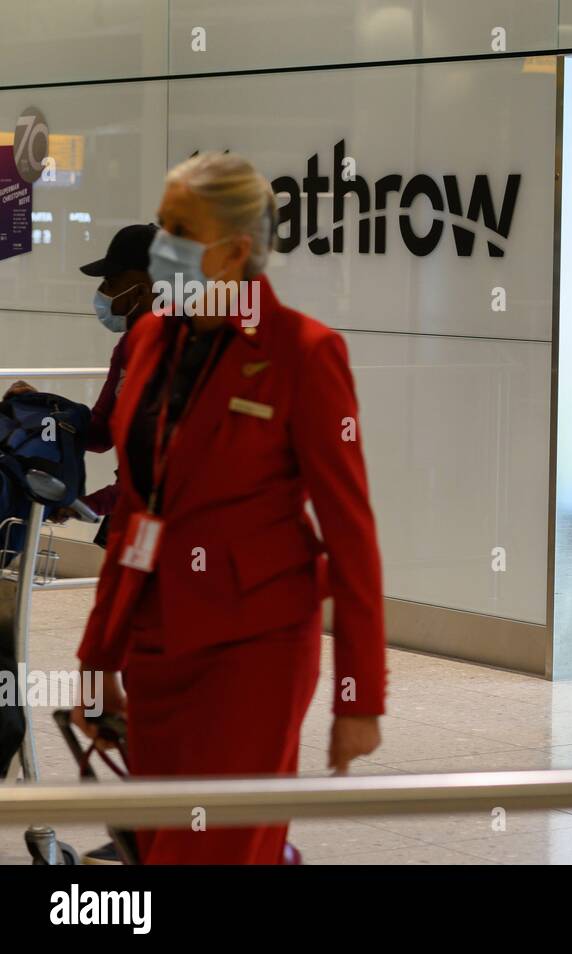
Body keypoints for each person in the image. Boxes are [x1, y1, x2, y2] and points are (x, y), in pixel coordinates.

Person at [72, 152, 387, 863]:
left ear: (235, 252)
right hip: (156, 647)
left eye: (178, 228)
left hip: (254, 651)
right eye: (161, 223)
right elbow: (134, 511)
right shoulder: (151, 337)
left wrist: (359, 694)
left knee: (215, 852)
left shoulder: (303, 354)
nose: (160, 244)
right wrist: (99, 656)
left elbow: (352, 534)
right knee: (156, 849)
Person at [80, 223, 159, 542]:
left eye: (111, 281)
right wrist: (42, 414)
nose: (103, 293)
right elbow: (100, 432)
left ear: (142, 288)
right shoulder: (128, 347)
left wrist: (95, 503)